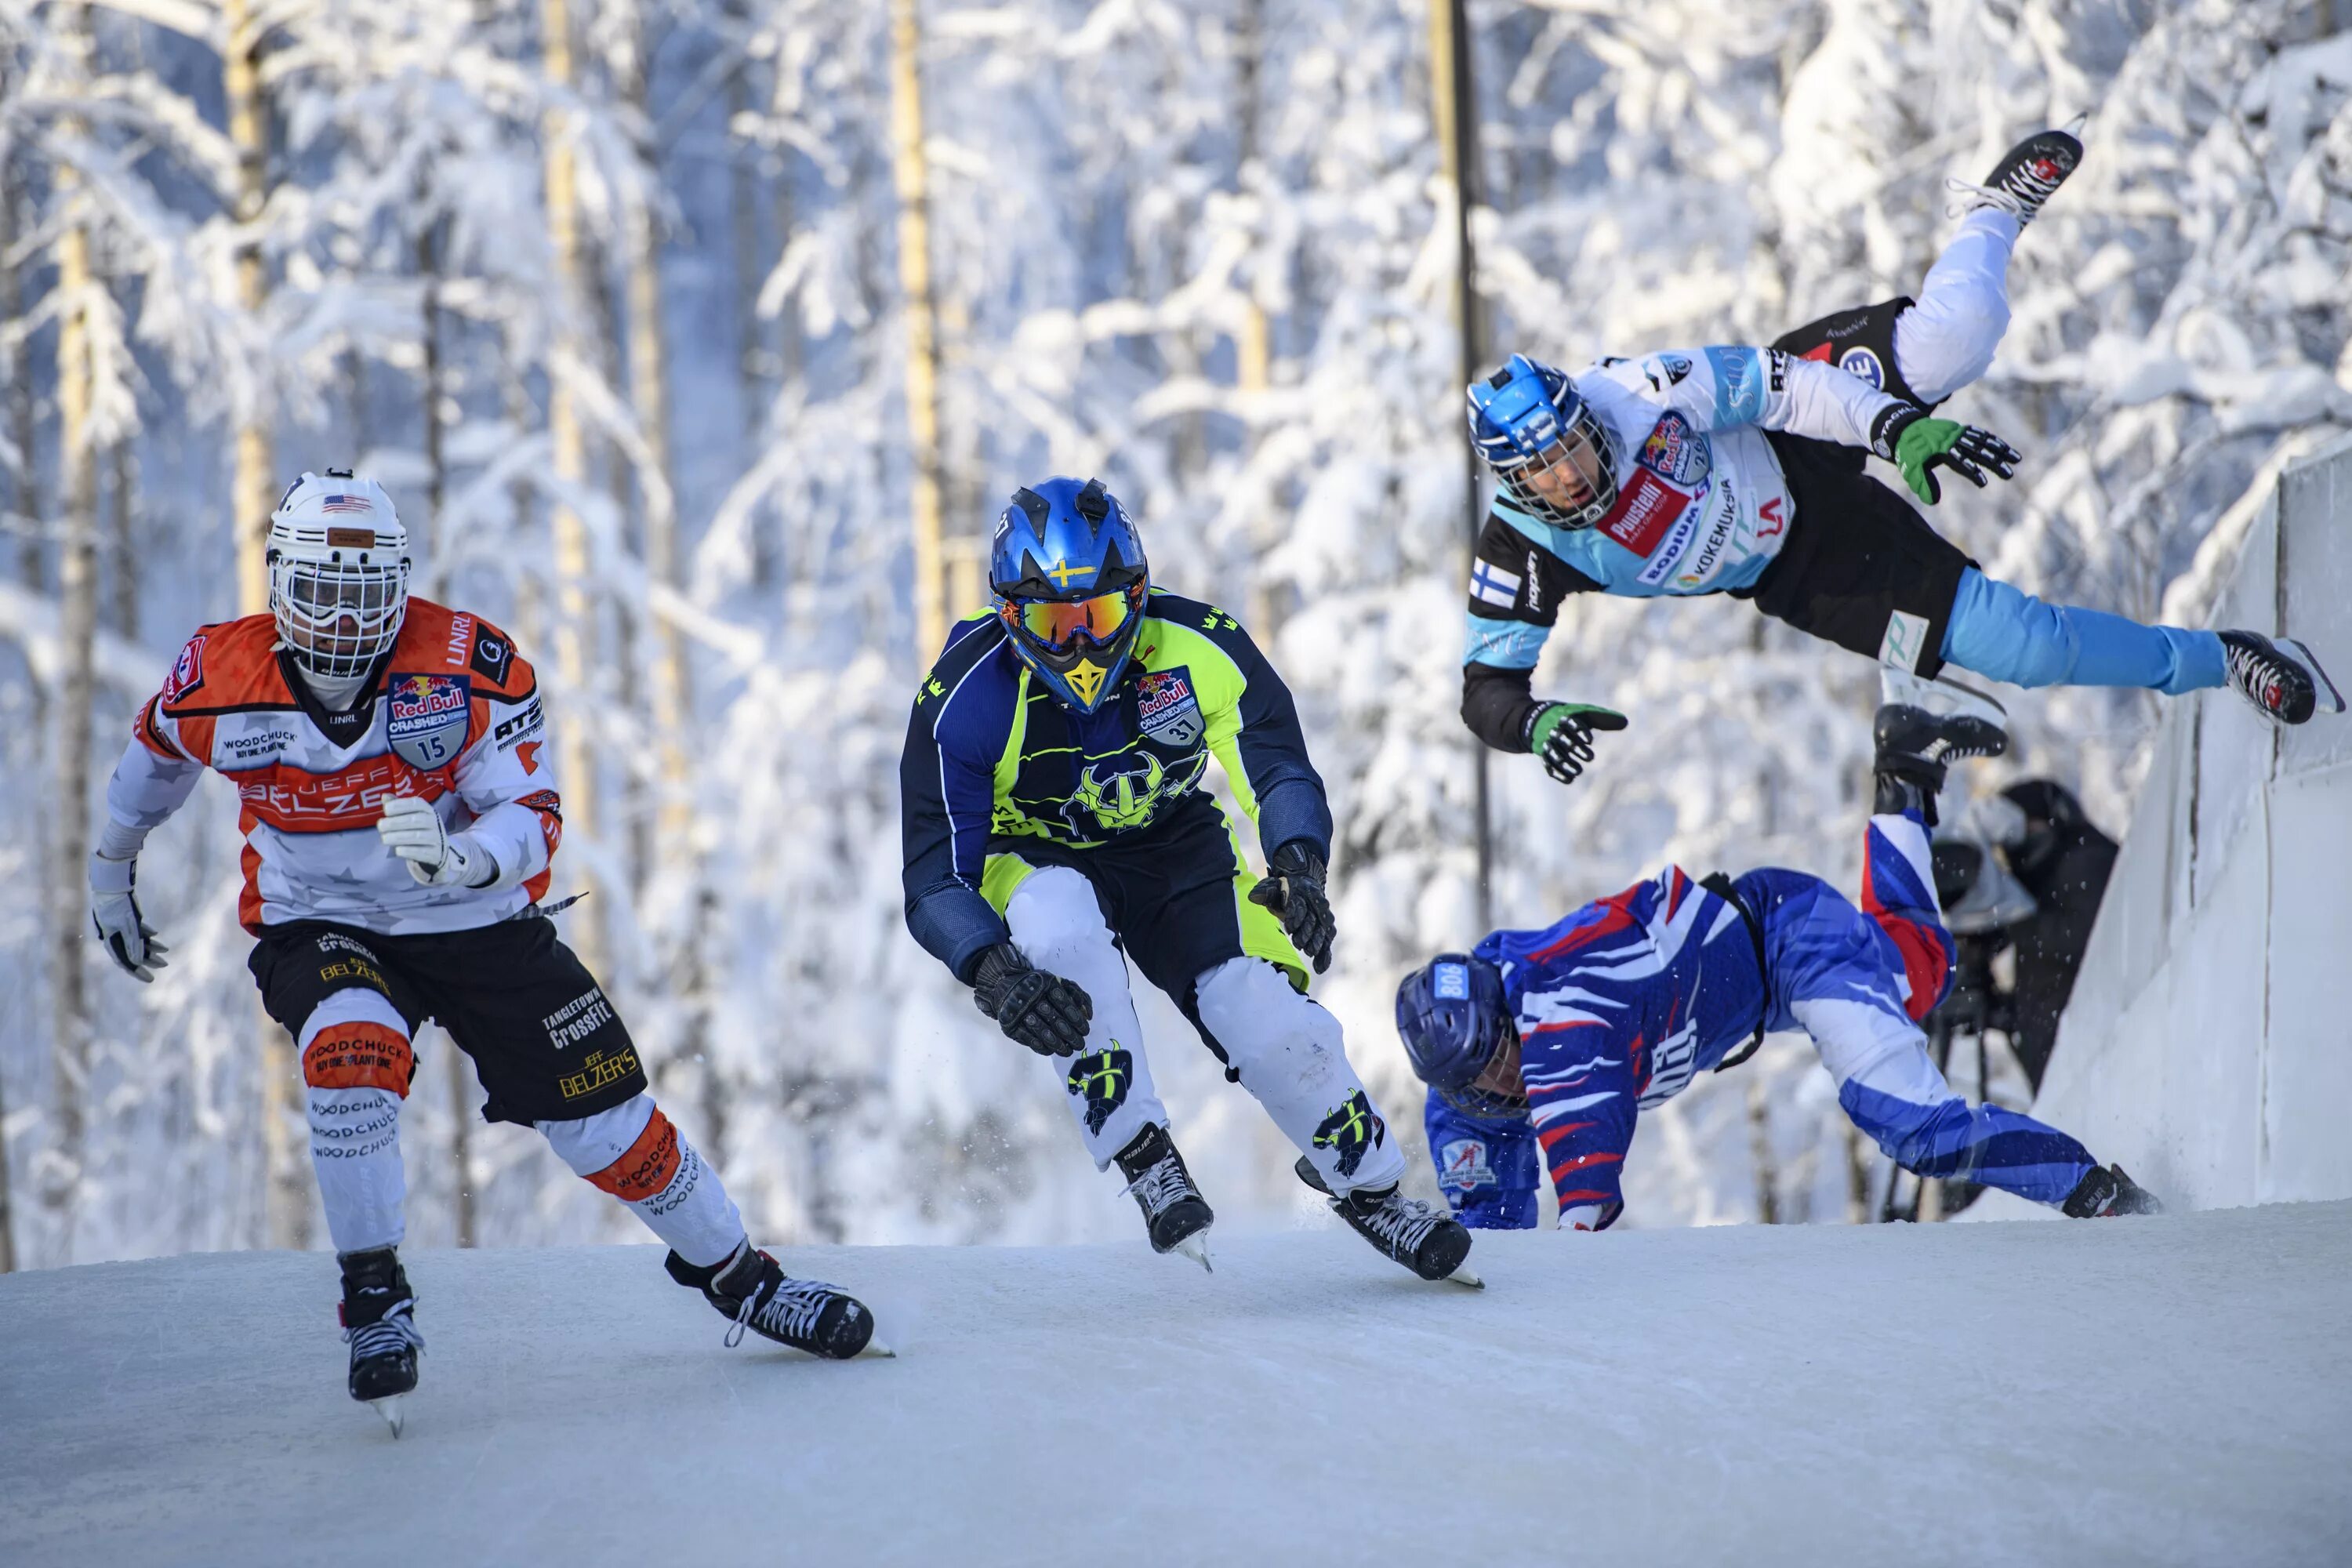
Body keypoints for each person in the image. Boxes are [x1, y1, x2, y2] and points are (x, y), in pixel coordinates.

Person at [89, 470, 877, 1430]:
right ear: (276, 583)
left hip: (472, 917)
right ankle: (374, 1294)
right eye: (320, 592)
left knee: (607, 1121)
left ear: (404, 589)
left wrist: (465, 857)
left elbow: (535, 815)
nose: (340, 622)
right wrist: (110, 870)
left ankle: (744, 1279)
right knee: (350, 1053)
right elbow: (152, 759)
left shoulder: (467, 664)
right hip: (320, 917)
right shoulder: (221, 673)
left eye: (364, 594)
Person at [1459, 128, 2340, 789]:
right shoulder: (1523, 546)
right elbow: (1486, 687)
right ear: (1514, 483)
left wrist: (1893, 427)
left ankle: (1990, 215)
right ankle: (2224, 658)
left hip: (1784, 439)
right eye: (1545, 472)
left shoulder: (1643, 392)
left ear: (1585, 414)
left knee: (1954, 341)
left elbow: (1785, 388)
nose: (1571, 475)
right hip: (1804, 564)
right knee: (2025, 649)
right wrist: (1532, 723)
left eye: (1574, 447)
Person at [898, 476, 1474, 1283]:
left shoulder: (1197, 641)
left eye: (1096, 617)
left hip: (1173, 845)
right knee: (1061, 926)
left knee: (1259, 1008)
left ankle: (1373, 1188)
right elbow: (934, 876)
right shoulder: (963, 695)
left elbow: (1272, 764)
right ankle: (1142, 1150)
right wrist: (994, 970)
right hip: (1032, 855)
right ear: (1008, 616)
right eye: (1051, 625)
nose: (1079, 649)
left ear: (1137, 595)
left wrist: (1299, 863)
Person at [1395, 701, 2162, 1231]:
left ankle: (2099, 1192)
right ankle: (1905, 778)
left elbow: (1585, 1166)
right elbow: (1492, 1224)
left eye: (1503, 1050)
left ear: (1508, 1010)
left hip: (1790, 941)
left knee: (1916, 1126)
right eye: (1482, 1076)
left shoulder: (1559, 1022)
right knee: (1917, 974)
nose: (1505, 1077)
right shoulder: (1467, 1081)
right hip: (1770, 950)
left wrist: (1578, 1224)